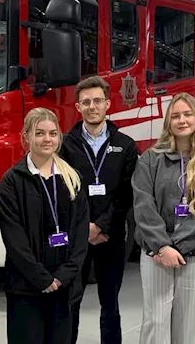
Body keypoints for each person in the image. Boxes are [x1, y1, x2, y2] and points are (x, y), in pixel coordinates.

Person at [132, 92, 195, 344]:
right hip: (156, 253)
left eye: (187, 114)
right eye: (175, 116)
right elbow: (143, 205)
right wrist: (163, 246)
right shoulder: (150, 159)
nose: (182, 120)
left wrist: (177, 248)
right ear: (168, 122)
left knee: (189, 322)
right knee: (156, 320)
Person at [0, 107, 90, 344]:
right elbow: (13, 238)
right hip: (25, 289)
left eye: (52, 133)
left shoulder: (73, 179)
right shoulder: (13, 181)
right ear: (26, 136)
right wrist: (43, 279)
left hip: (65, 287)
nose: (47, 139)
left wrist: (63, 276)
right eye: (39, 133)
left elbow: (80, 234)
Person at [59, 75, 139, 344]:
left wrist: (101, 226)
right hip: (75, 239)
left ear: (107, 104)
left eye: (97, 101)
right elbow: (63, 194)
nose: (92, 106)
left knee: (110, 304)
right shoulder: (64, 145)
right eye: (86, 102)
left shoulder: (126, 146)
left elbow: (126, 194)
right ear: (78, 107)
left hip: (111, 236)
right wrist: (85, 229)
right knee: (71, 302)